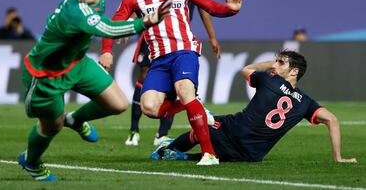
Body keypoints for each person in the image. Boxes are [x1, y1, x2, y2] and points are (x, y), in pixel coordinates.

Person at [18, 0, 172, 181]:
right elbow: (109, 29)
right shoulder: (76, 12)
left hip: (76, 62)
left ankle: (76, 120)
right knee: (51, 126)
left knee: (119, 104)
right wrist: (148, 20)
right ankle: (31, 162)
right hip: (46, 75)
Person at [100, 0, 243, 166]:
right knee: (149, 107)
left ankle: (209, 154)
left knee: (184, 89)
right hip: (158, 59)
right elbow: (112, 24)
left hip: (184, 50)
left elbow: (209, 6)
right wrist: (107, 50)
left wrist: (230, 10)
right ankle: (197, 107)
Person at [151, 50, 357, 164]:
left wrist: (268, 65)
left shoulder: (270, 79)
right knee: (217, 137)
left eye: (281, 62)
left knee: (201, 124)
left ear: (294, 71)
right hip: (251, 156)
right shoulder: (305, 102)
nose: (276, 65)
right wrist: (338, 158)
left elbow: (245, 70)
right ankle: (185, 156)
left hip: (232, 133)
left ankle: (167, 150)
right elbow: (333, 120)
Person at [123, 0, 222, 147]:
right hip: (154, 37)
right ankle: (134, 130)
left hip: (178, 37)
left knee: (180, 86)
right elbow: (142, 1)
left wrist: (213, 36)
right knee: (144, 77)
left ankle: (162, 133)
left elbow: (204, 4)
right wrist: (128, 24)